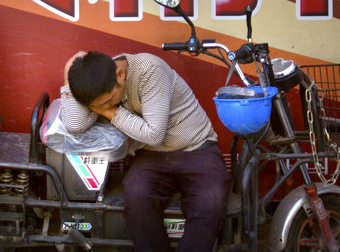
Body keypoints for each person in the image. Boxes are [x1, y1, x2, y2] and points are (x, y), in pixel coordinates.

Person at [60, 50, 230, 252]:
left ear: (120, 74)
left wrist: (107, 111)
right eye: (98, 106)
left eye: (108, 101)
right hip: (152, 155)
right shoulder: (95, 83)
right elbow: (75, 124)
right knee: (137, 197)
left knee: (210, 201)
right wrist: (69, 75)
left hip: (197, 148)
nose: (106, 107)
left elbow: (154, 134)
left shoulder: (150, 70)